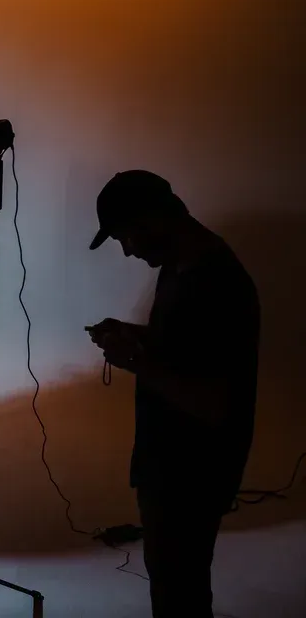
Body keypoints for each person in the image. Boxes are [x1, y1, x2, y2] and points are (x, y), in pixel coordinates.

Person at [86, 170, 259, 617]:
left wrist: (134, 360)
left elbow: (213, 403)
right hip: (172, 464)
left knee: (179, 591)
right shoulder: (182, 265)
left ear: (152, 220)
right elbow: (186, 344)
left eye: (126, 237)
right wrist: (135, 334)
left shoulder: (215, 282)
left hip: (193, 472)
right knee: (174, 582)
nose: (128, 250)